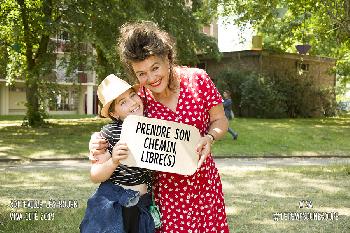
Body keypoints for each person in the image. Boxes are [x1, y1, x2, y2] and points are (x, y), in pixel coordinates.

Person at [90, 21, 230, 232]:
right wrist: (96, 140)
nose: (151, 78)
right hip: (166, 195)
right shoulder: (139, 100)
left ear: (168, 58)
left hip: (204, 188)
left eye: (155, 68)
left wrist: (209, 137)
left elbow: (220, 120)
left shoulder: (198, 80)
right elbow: (118, 124)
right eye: (141, 73)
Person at [80, 74, 155, 233]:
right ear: (114, 114)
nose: (133, 102)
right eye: (123, 102)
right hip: (116, 203)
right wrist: (113, 160)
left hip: (143, 203)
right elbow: (95, 175)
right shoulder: (110, 133)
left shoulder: (153, 127)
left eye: (132, 95)